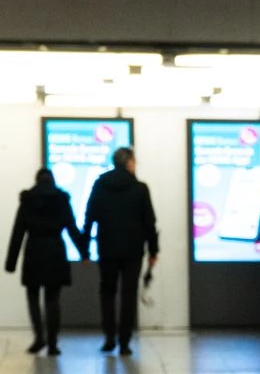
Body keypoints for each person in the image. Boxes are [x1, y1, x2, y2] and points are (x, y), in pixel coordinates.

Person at [82, 146, 157, 356]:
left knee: (107, 292)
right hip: (133, 250)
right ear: (129, 163)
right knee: (128, 294)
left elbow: (90, 216)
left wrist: (84, 249)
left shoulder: (100, 185)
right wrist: (153, 250)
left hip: (107, 248)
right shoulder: (140, 188)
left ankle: (109, 338)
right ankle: (124, 342)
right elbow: (149, 221)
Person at [7, 169, 83, 355]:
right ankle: (53, 343)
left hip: (34, 251)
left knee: (33, 297)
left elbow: (18, 231)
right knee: (53, 298)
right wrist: (85, 250)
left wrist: (11, 262)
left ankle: (38, 338)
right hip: (55, 250)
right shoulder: (61, 199)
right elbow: (71, 227)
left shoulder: (27, 200)